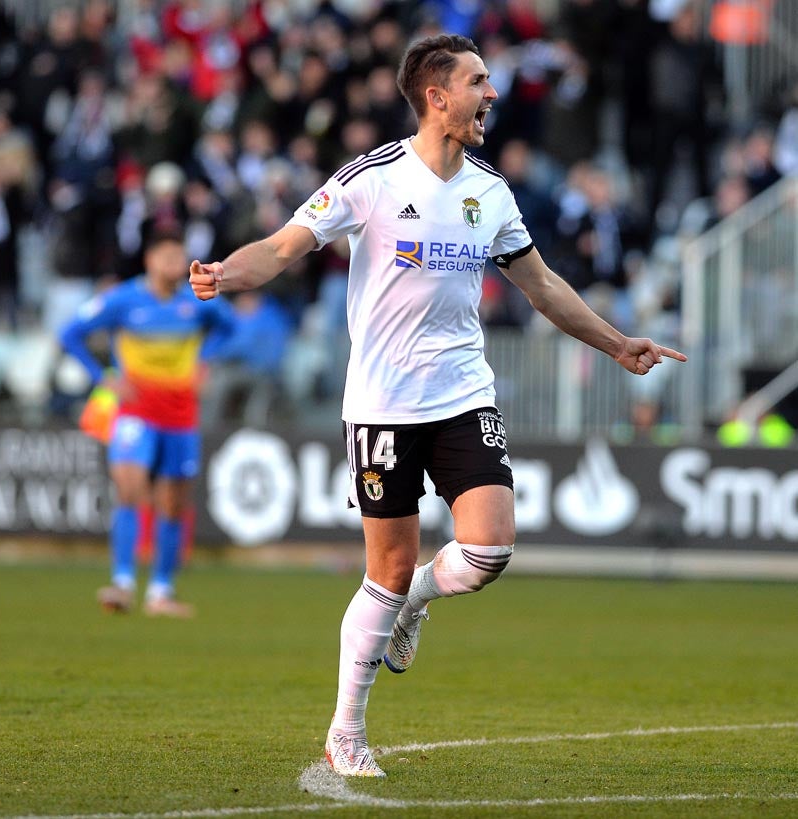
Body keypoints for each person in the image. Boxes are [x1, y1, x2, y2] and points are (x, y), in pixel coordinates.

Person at [189, 34, 686, 778]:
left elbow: (542, 286)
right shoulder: (373, 178)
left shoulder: (490, 191)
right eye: (478, 81)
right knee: (383, 569)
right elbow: (287, 246)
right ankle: (345, 729)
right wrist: (225, 273)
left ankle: (418, 600)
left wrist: (616, 345)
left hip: (461, 391)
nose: (492, 93)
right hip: (384, 402)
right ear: (436, 96)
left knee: (488, 549)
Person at [61, 226, 235, 618]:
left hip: (180, 414)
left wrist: (205, 360)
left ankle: (160, 592)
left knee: (172, 504)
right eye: (169, 257)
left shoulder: (200, 301)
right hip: (135, 411)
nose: (177, 264)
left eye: (181, 257)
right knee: (129, 487)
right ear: (150, 261)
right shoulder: (122, 300)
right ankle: (122, 583)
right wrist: (103, 377)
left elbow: (230, 328)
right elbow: (70, 334)